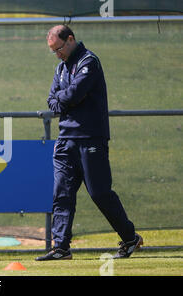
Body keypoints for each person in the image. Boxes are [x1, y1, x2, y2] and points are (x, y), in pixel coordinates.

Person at [36, 25, 143, 261]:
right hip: (65, 140)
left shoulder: (89, 61)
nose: (57, 54)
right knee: (61, 193)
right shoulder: (60, 68)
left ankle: (130, 238)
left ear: (71, 39)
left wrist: (63, 99)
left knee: (99, 193)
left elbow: (72, 95)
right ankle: (61, 248)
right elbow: (51, 101)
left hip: (90, 138)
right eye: (53, 51)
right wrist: (64, 99)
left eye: (59, 48)